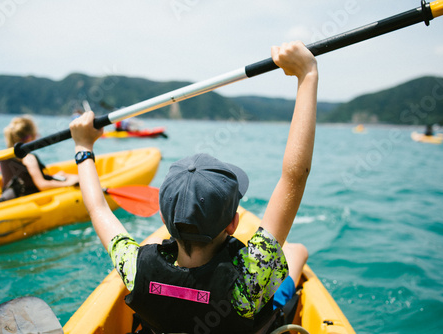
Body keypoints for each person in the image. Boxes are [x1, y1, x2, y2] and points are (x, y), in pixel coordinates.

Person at [69, 40, 316, 333]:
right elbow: (294, 177)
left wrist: (83, 147)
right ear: (233, 223)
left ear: (163, 219)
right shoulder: (248, 281)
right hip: (250, 317)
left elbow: (97, 209)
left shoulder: (136, 268)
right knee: (297, 251)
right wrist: (307, 74)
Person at [0, 115, 79, 202]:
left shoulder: (6, 156)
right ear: (30, 138)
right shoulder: (29, 158)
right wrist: (68, 183)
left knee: (64, 175)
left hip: (15, 194)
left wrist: (54, 177)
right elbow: (42, 185)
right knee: (77, 178)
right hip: (29, 198)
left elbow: (25, 178)